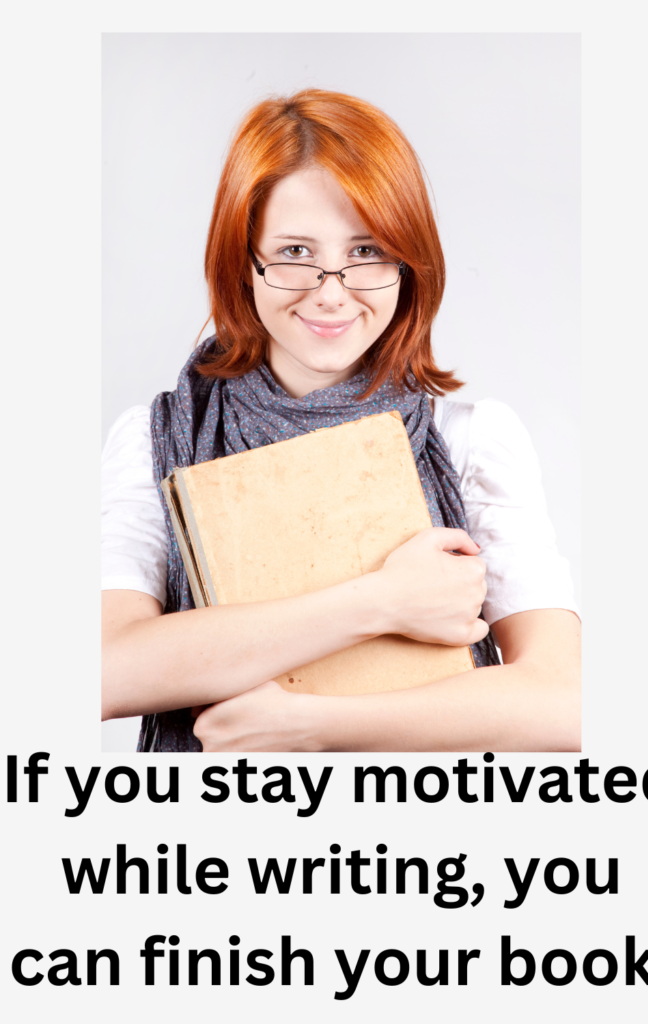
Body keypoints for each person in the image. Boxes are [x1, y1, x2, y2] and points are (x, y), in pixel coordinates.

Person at [101, 89, 580, 753]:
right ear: (243, 262)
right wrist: (380, 602)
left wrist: (312, 726)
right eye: (295, 252)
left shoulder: (470, 439)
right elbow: (105, 671)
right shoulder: (156, 438)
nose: (330, 291)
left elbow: (562, 702)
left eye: (365, 252)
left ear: (406, 265)